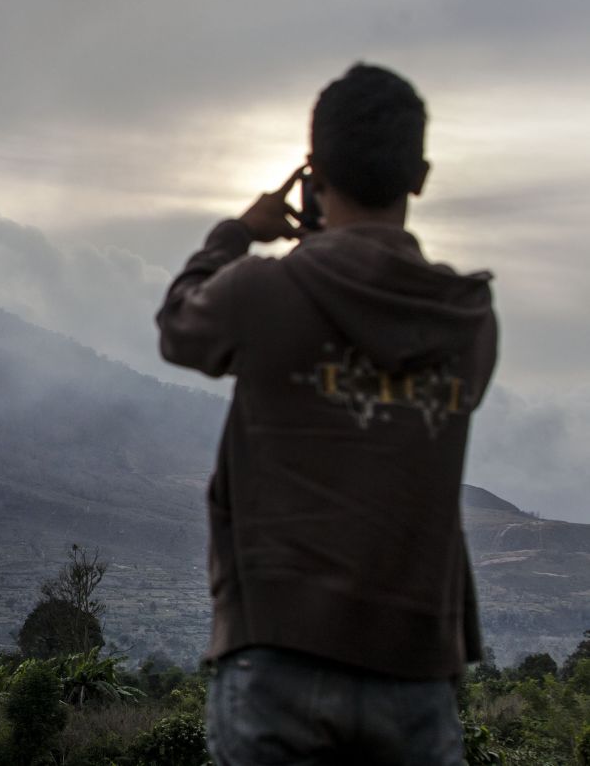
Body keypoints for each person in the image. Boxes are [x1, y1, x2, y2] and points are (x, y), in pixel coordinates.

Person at [156, 63, 497, 765]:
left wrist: (236, 233)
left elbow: (179, 325)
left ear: (315, 173)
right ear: (420, 176)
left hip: (277, 663)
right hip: (417, 673)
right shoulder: (467, 322)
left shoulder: (260, 293)